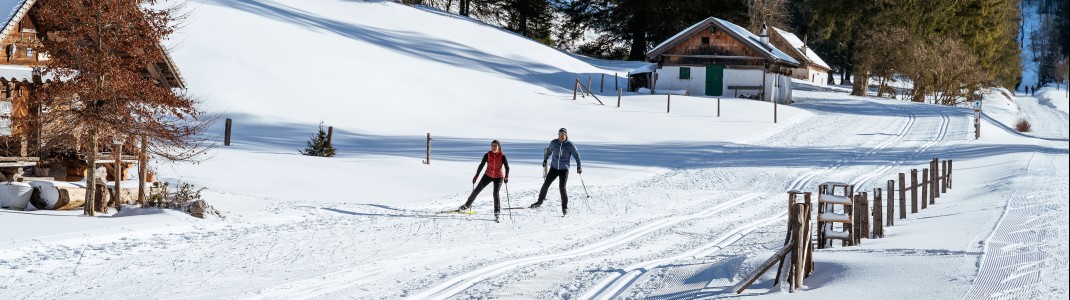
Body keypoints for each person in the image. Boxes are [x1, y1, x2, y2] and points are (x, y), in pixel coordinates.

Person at [528, 128, 581, 216]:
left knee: (562, 188)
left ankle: (564, 208)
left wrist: (579, 166)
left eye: (563, 135)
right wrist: (545, 159)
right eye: (560, 134)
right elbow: (549, 151)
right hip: (554, 168)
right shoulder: (554, 143)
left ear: (566, 135)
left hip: (564, 169)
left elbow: (577, 155)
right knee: (546, 184)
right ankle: (540, 201)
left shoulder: (570, 145)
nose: (561, 136)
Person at [459, 140, 510, 222]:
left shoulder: (502, 156)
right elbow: (481, 165)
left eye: (495, 146)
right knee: (476, 190)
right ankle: (467, 205)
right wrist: (476, 176)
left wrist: (506, 176)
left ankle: (497, 212)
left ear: (499, 147)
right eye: (492, 146)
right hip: (488, 175)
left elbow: (507, 167)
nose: (493, 147)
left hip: (498, 177)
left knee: (495, 193)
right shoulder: (487, 155)